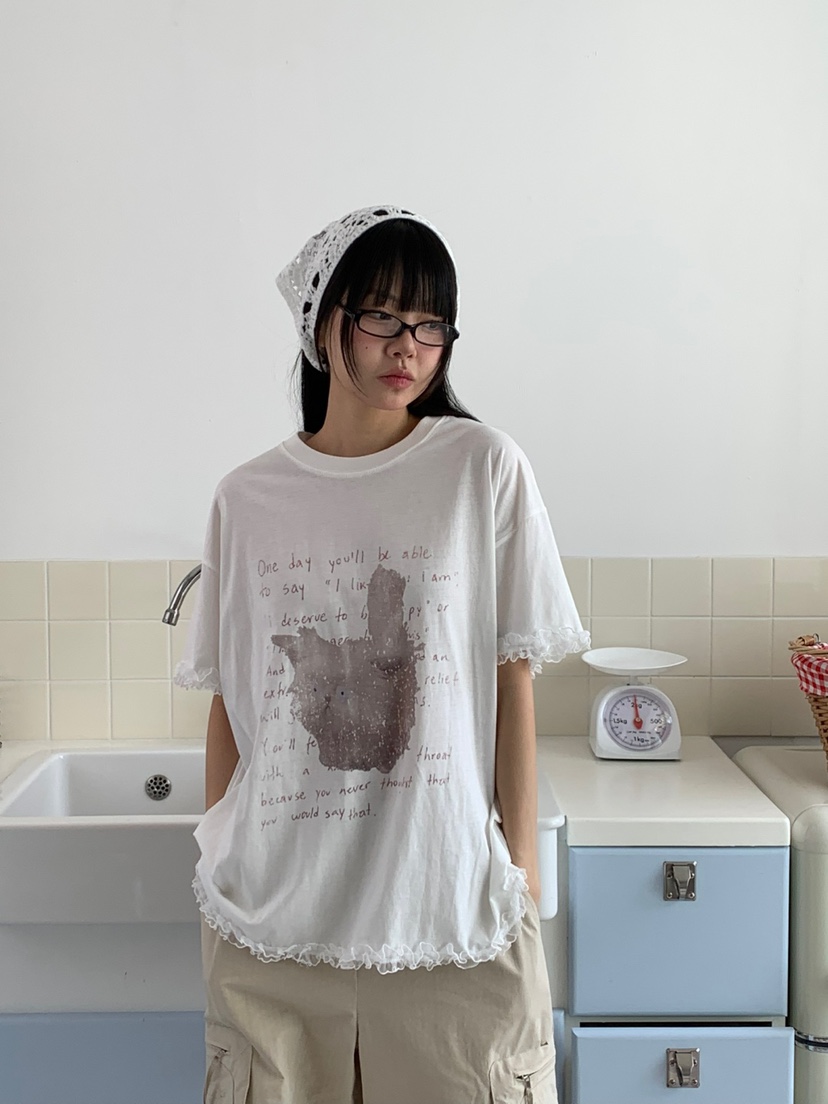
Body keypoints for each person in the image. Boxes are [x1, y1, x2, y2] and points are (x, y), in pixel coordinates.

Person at [175, 204, 589, 1104]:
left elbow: (511, 681)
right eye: (383, 317)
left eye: (431, 324)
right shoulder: (247, 499)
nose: (409, 346)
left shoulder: (482, 469)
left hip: (449, 920)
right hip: (274, 927)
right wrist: (218, 859)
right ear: (322, 322)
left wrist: (518, 878)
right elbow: (231, 702)